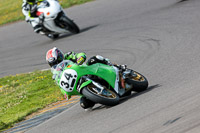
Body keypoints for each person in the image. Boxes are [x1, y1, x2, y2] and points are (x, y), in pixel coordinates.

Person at [46, 47, 111, 109]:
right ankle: (104, 97)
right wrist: (65, 93)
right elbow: (61, 84)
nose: (57, 63)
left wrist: (81, 57)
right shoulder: (56, 73)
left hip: (85, 71)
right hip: (78, 83)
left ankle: (112, 66)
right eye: (53, 63)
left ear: (60, 56)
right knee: (84, 104)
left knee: (94, 59)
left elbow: (80, 54)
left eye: (58, 60)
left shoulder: (68, 56)